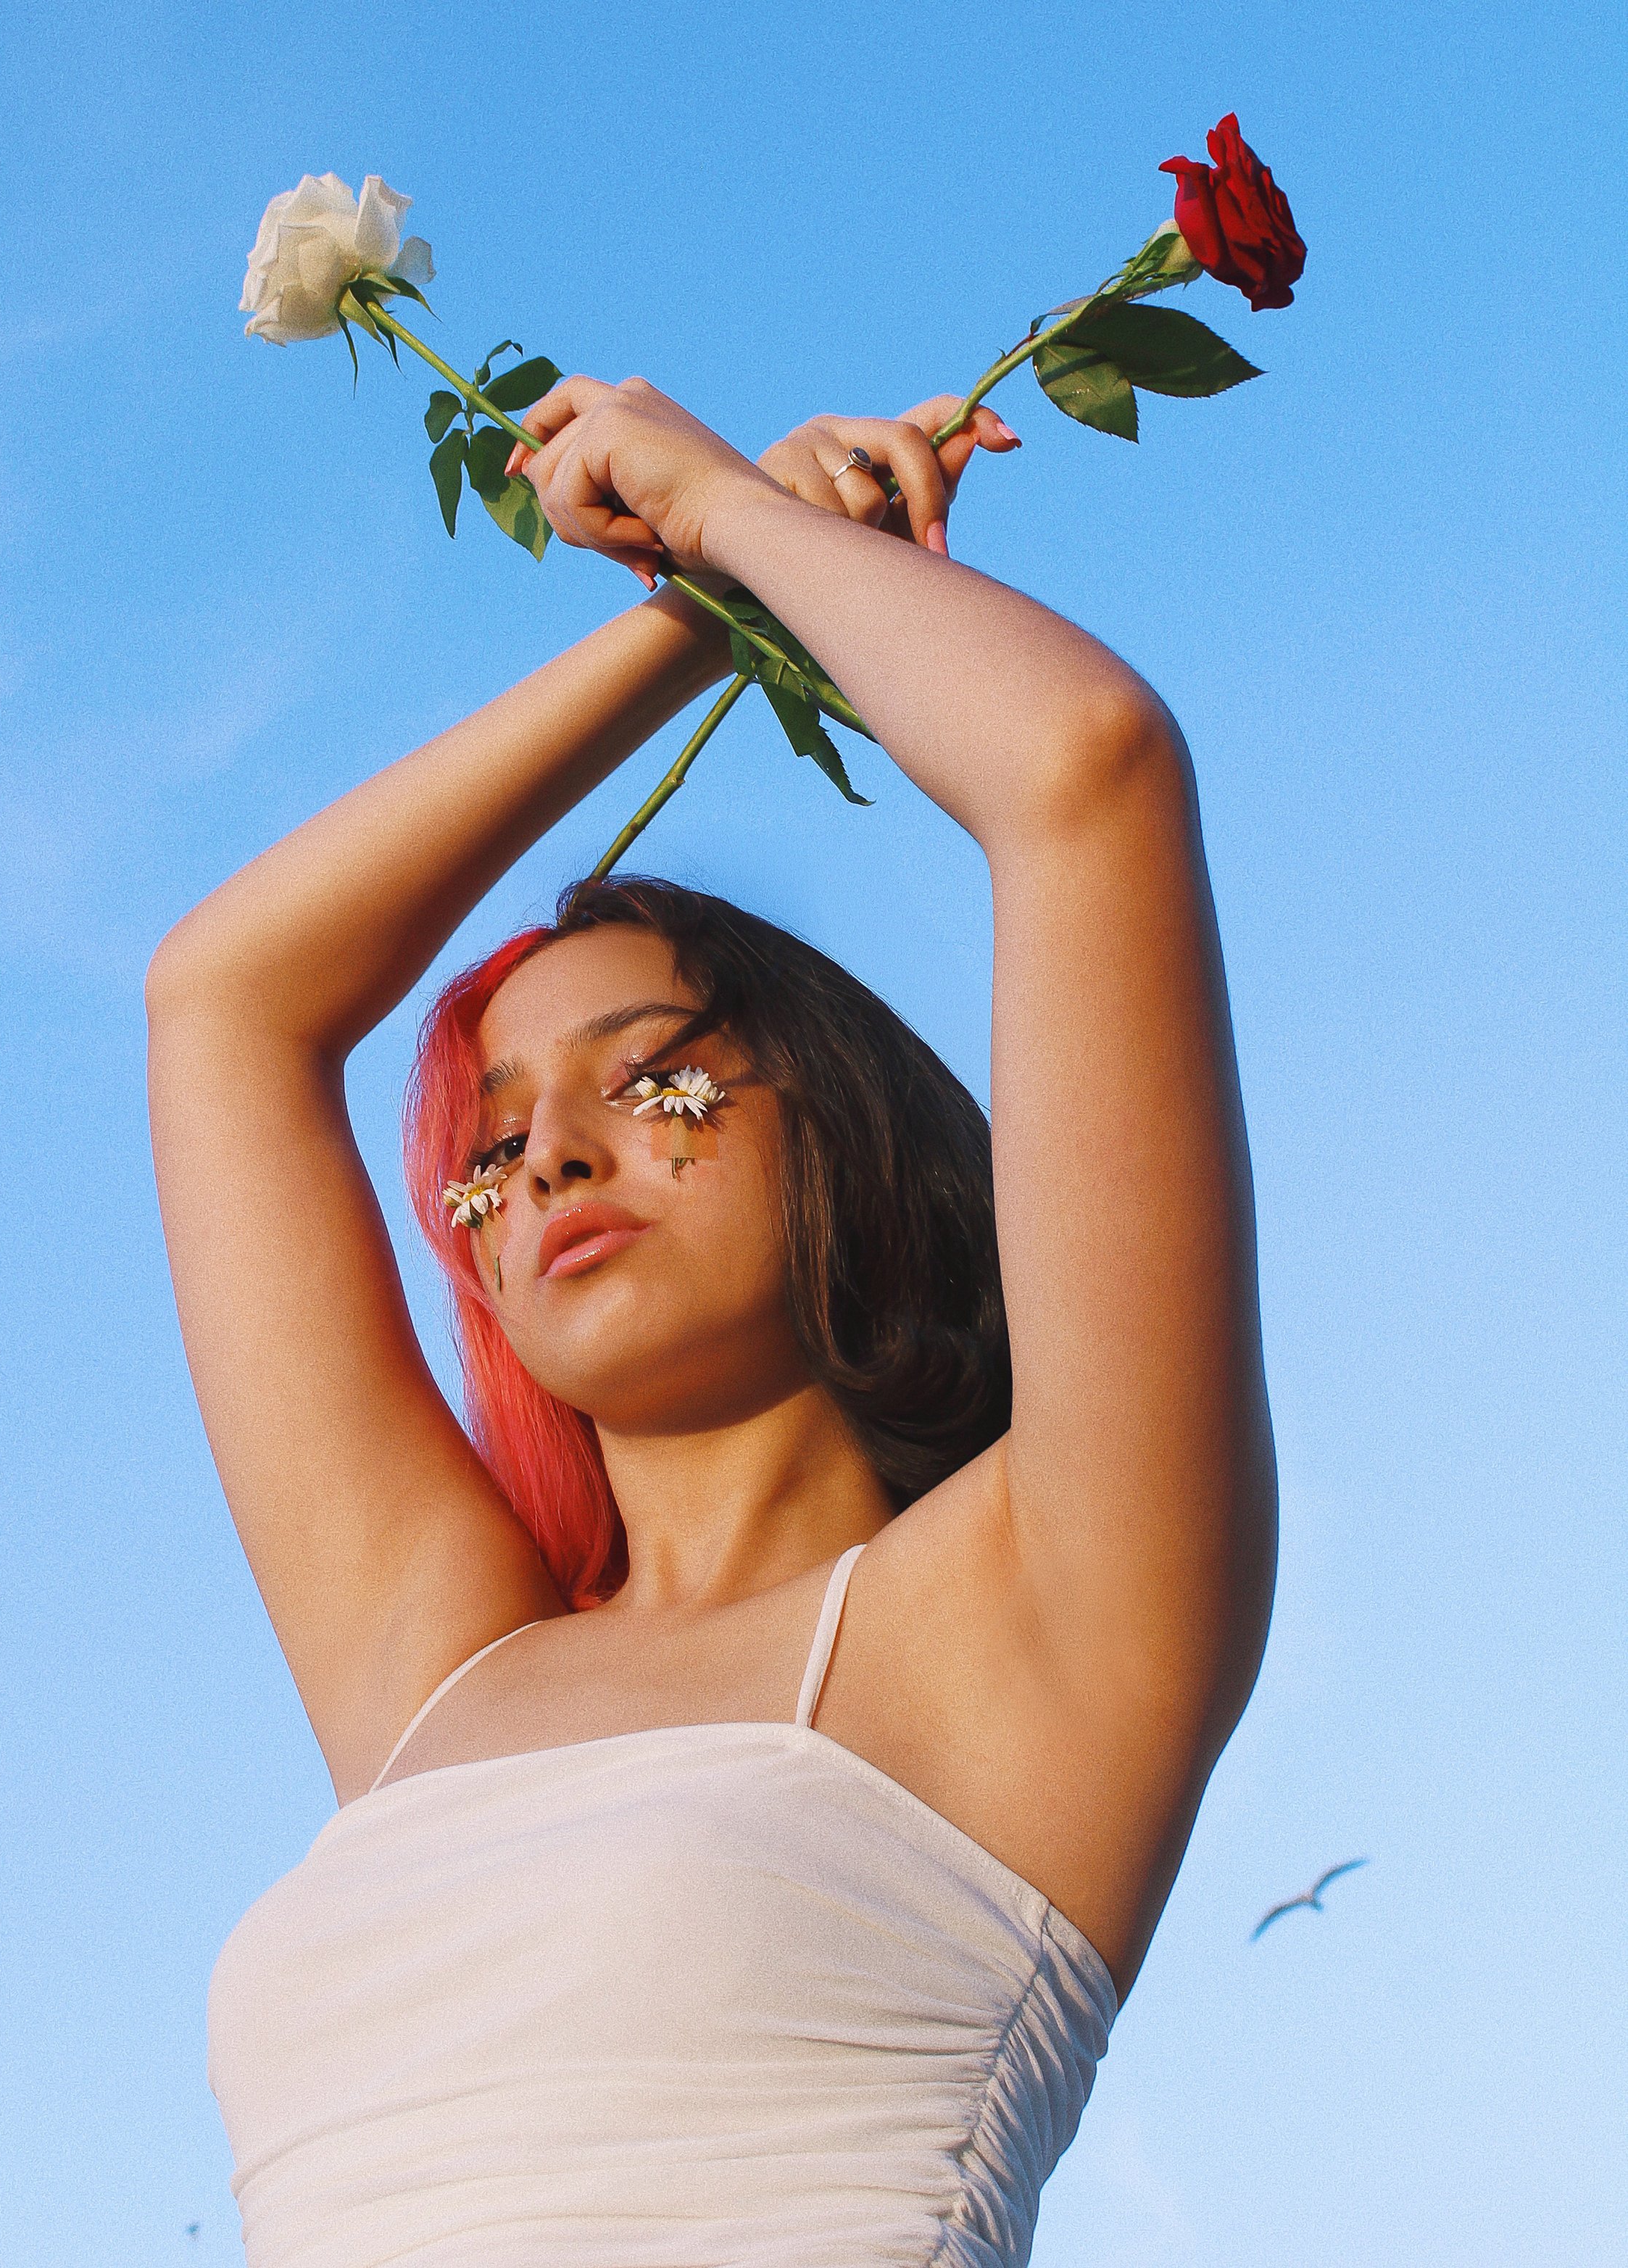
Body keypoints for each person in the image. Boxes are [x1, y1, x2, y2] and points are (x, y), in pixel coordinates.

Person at [147, 378, 1277, 2266]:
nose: (553, 1158)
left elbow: (1082, 769)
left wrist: (721, 508)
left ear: (837, 1122)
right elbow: (223, 1003)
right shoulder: (433, 1667)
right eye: (491, 1145)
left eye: (649, 1075)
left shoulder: (1047, 1608)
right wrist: (686, 616)